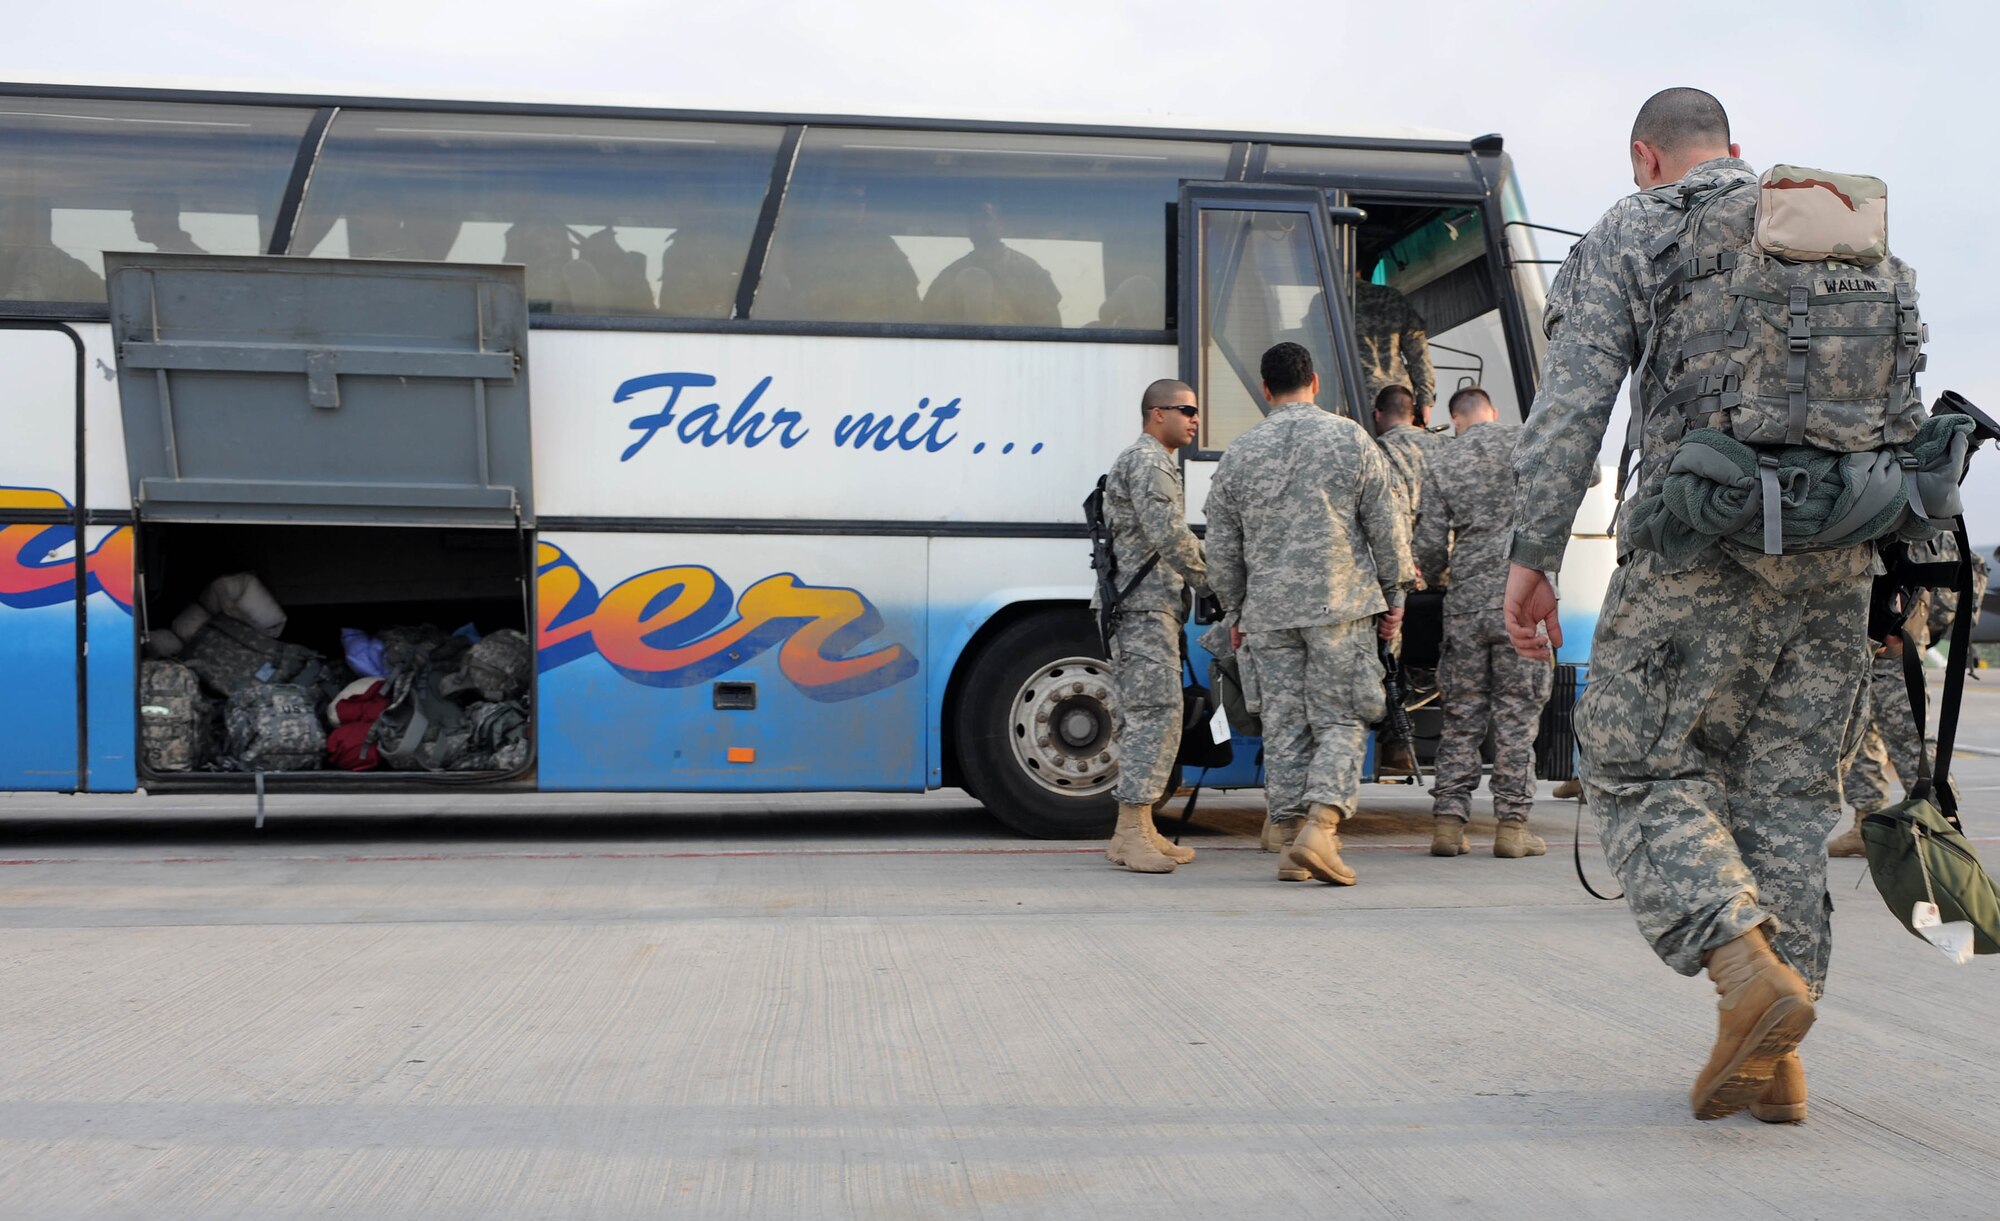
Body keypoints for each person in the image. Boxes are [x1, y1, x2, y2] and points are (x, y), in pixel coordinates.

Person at [1503, 87, 1890, 1122]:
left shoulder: (1637, 227)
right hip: (1833, 557)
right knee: (1783, 801)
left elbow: (1572, 402)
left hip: (1696, 549)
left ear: (1645, 156)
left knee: (1631, 766)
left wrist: (1529, 553)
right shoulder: (1823, 232)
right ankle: (1778, 1062)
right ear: (1734, 151)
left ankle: (1741, 975)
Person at [1205, 342, 1411, 885]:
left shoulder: (1240, 453)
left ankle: (1290, 838)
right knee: (1343, 716)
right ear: (1315, 382)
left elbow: (1221, 549)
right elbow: (1386, 526)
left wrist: (1236, 611)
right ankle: (1321, 829)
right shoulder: (1350, 438)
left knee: (1285, 725)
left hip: (1267, 612)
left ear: (1266, 391)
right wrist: (1396, 595)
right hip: (1339, 605)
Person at [1414, 386, 1550, 858]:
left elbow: (1429, 548)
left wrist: (1438, 576)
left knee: (1461, 715)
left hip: (1467, 606)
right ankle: (1512, 829)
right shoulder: (1526, 440)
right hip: (1526, 602)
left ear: (1455, 419)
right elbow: (1585, 470)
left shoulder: (1443, 460)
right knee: (1517, 717)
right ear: (1492, 412)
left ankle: (1448, 826)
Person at [1098, 379, 1207, 874]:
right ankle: (1132, 830)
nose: (1194, 419)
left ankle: (1134, 830)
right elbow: (1171, 535)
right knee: (1154, 712)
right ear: (1156, 413)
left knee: (1151, 712)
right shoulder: (1148, 461)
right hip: (1142, 609)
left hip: (1148, 607)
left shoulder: (1154, 461)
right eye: (1185, 410)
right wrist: (1216, 583)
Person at [1830, 536, 1988, 855]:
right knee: (1861, 737)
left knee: (1909, 738)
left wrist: (1907, 625)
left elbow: (1922, 578)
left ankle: (1942, 828)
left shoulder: (1915, 522)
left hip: (1895, 645)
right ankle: (1866, 825)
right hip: (1861, 643)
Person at [925, 202, 1062, 327]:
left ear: (1001, 225)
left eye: (986, 218)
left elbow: (1050, 324)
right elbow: (929, 320)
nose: (979, 224)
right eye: (974, 219)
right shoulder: (950, 275)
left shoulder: (1028, 271)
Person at [1354, 270, 1435, 423]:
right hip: (1398, 403)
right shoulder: (1391, 297)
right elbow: (1419, 353)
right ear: (1361, 267)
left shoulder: (1329, 300)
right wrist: (1425, 401)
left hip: (1354, 402)